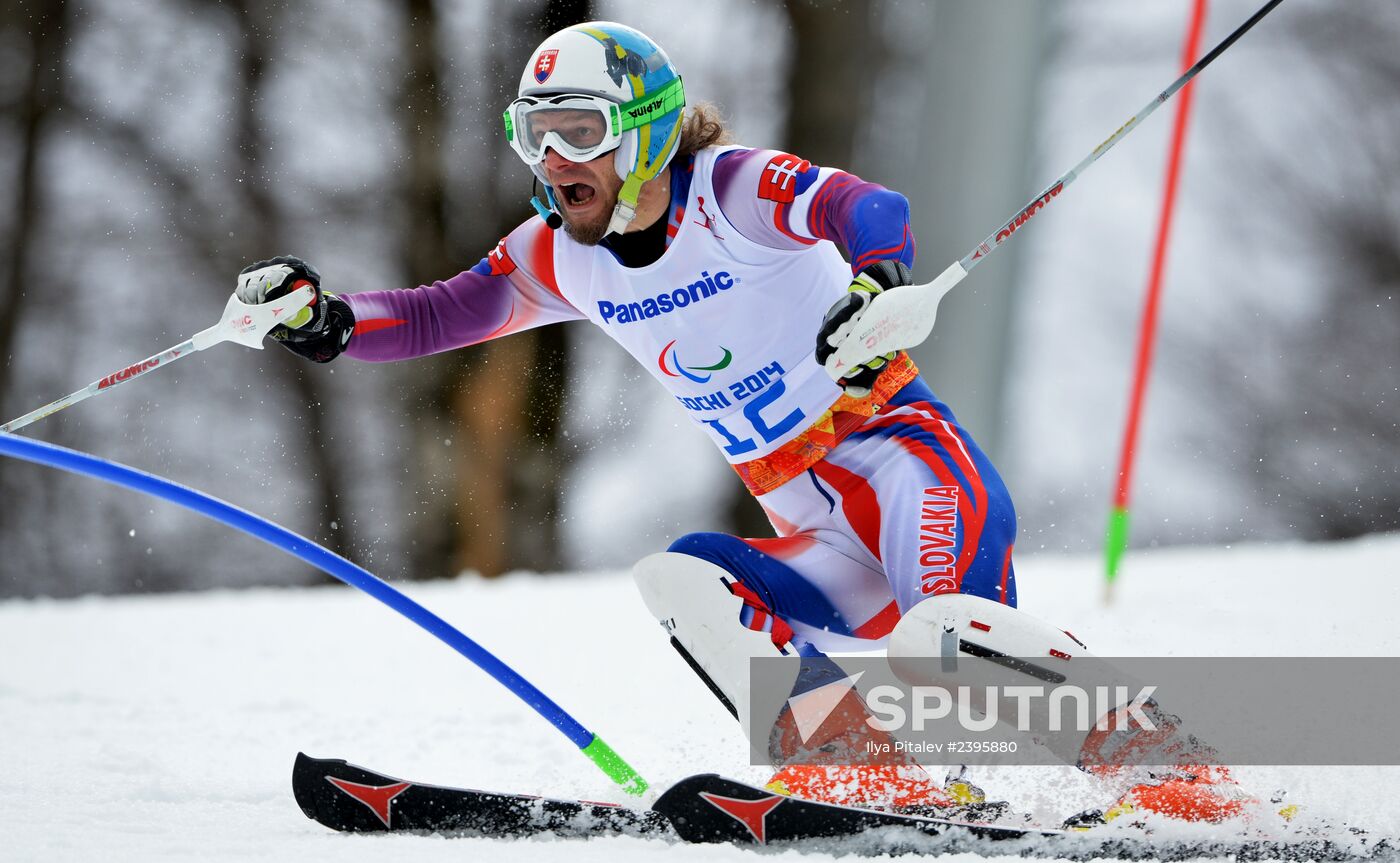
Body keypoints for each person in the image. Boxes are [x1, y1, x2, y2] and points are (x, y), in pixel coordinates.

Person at [236, 21, 1239, 824]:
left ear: (647, 128)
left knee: (947, 637)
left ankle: (1188, 790)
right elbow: (433, 314)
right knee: (681, 577)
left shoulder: (729, 191)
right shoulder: (557, 252)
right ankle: (872, 785)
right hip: (815, 524)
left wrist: (880, 276)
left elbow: (863, 204)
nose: (549, 158)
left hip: (904, 469)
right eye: (530, 132)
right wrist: (320, 320)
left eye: (577, 130)